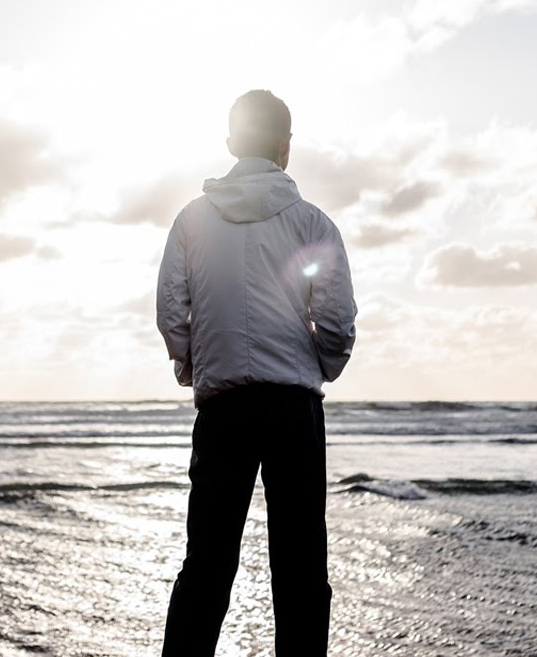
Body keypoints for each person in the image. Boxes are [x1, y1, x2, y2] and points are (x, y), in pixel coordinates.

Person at [156, 89, 357, 655]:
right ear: (285, 147)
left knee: (207, 565)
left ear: (230, 145)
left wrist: (195, 365)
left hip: (222, 408)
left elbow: (171, 312)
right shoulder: (312, 222)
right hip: (293, 408)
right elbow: (336, 320)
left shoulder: (192, 220)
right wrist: (318, 365)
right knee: (300, 569)